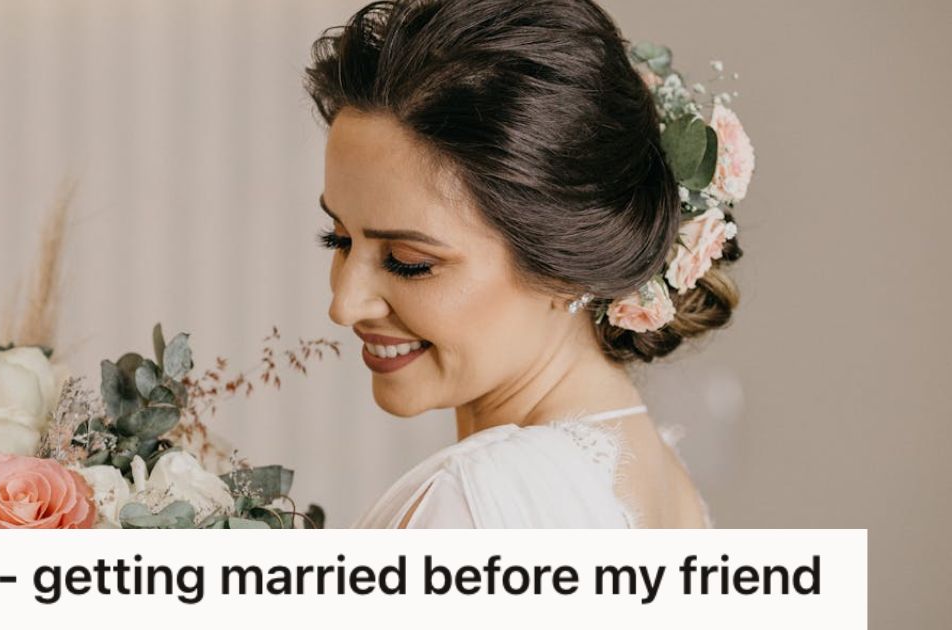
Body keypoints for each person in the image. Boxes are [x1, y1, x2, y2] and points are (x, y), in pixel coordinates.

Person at [304, 0, 743, 528]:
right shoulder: (660, 477)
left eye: (407, 261)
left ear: (566, 263)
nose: (343, 304)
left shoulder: (472, 500)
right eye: (340, 240)